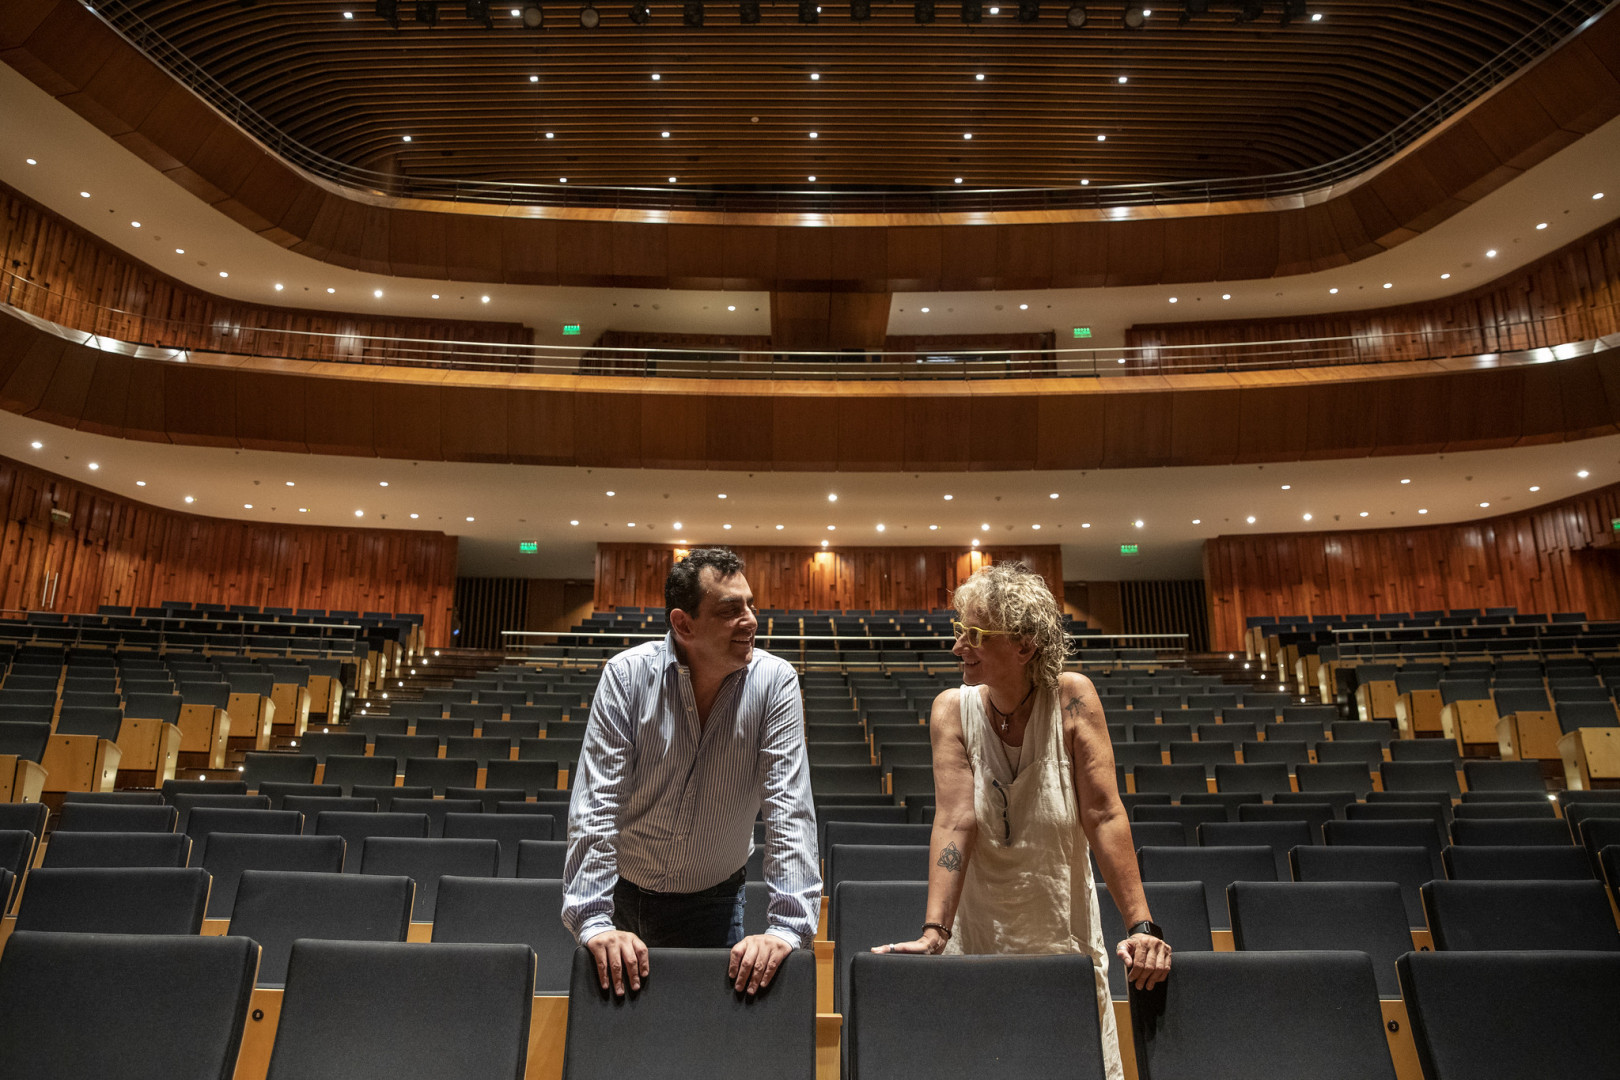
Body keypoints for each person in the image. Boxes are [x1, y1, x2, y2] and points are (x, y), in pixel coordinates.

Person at [875, 562, 1170, 1080]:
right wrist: (934, 930)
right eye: (958, 631)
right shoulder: (951, 709)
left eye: (975, 634)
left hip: (1062, 931)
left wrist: (1141, 926)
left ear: (1025, 645)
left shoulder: (1073, 698)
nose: (957, 646)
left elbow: (1103, 814)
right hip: (979, 932)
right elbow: (954, 820)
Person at [563, 547, 820, 998]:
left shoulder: (776, 682)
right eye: (730, 610)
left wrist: (786, 929)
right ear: (683, 624)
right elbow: (597, 805)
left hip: (714, 903)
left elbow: (789, 809)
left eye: (750, 604)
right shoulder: (626, 676)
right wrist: (593, 919)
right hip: (621, 899)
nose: (751, 620)